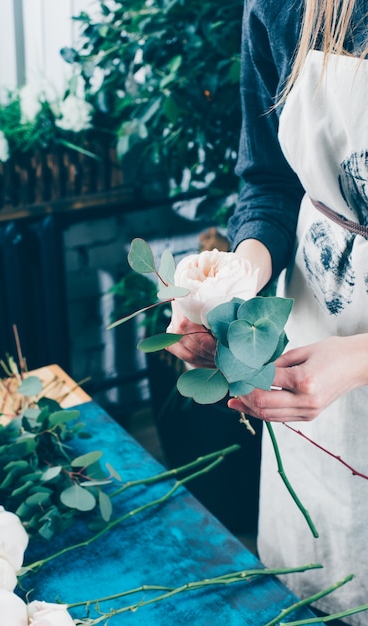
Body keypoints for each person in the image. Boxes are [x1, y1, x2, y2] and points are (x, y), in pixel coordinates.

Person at [166, 0, 368, 623]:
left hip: (346, 356)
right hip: (311, 333)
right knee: (320, 587)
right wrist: (236, 279)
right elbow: (272, 183)